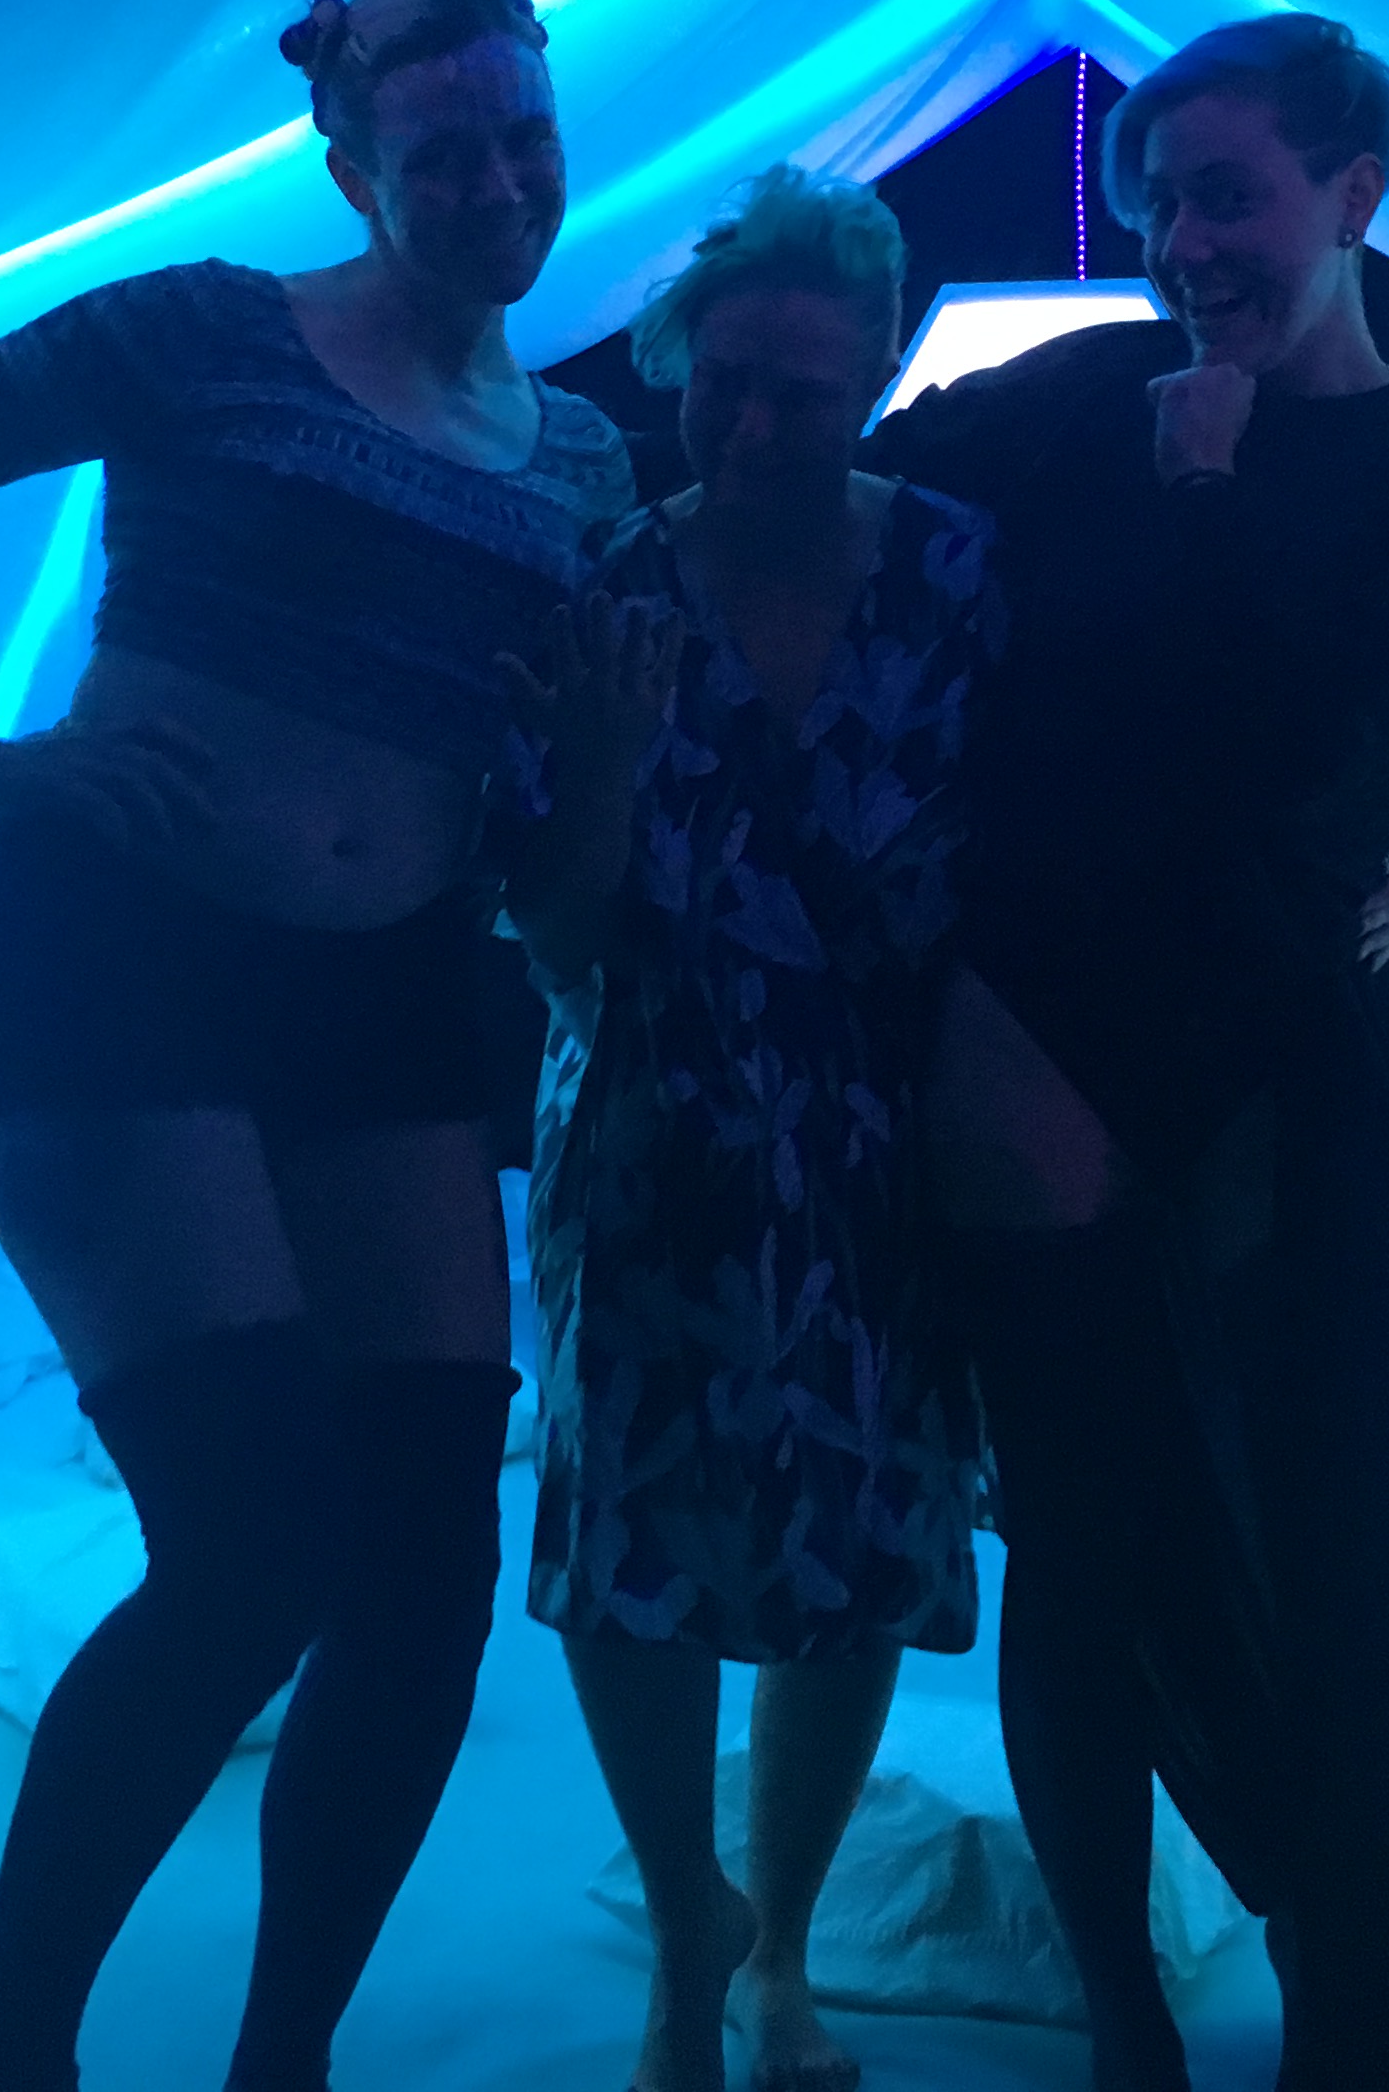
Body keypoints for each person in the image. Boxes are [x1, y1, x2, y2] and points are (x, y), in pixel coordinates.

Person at [0, 0, 633, 2092]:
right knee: (255, 1546)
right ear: (354, 165)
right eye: (444, 153)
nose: (499, 184)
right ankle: (7, 2045)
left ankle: (281, 2063)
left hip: (391, 995)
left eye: (525, 138)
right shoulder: (206, 333)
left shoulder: (588, 460)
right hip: (124, 961)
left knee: (427, 1570)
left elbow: (550, 802)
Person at [867, 15, 1389, 2092]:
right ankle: (1127, 2023)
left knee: (1374, 1549)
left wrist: (1207, 502)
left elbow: (1307, 781)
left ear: (1355, 193)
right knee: (1094, 1563)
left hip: (1259, 1075)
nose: (1188, 244)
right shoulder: (1086, 396)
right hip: (1033, 1065)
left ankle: (1376, 1998)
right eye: (1162, 203)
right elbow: (843, 498)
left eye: (1231, 196)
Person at [497, 168, 998, 2092]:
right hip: (655, 1111)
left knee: (851, 1541)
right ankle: (681, 1931)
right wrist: (603, 775)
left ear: (875, 377)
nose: (761, 423)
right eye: (727, 383)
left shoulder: (958, 574)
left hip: (884, 1131)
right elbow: (554, 936)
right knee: (634, 1538)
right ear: (675, 368)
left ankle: (781, 1948)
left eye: (807, 387)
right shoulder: (603, 591)